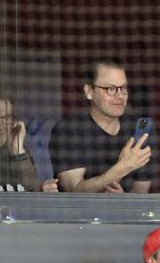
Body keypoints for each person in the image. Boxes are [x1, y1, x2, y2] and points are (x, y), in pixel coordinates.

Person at [49, 57, 153, 193]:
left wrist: (123, 200)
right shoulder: (68, 129)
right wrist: (122, 168)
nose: (120, 95)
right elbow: (74, 191)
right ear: (89, 92)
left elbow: (141, 193)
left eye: (124, 88)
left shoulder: (136, 129)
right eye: (111, 89)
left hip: (123, 214)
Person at [0, 96, 58, 192]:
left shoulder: (16, 152)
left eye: (6, 117)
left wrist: (18, 151)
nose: (0, 124)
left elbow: (33, 191)